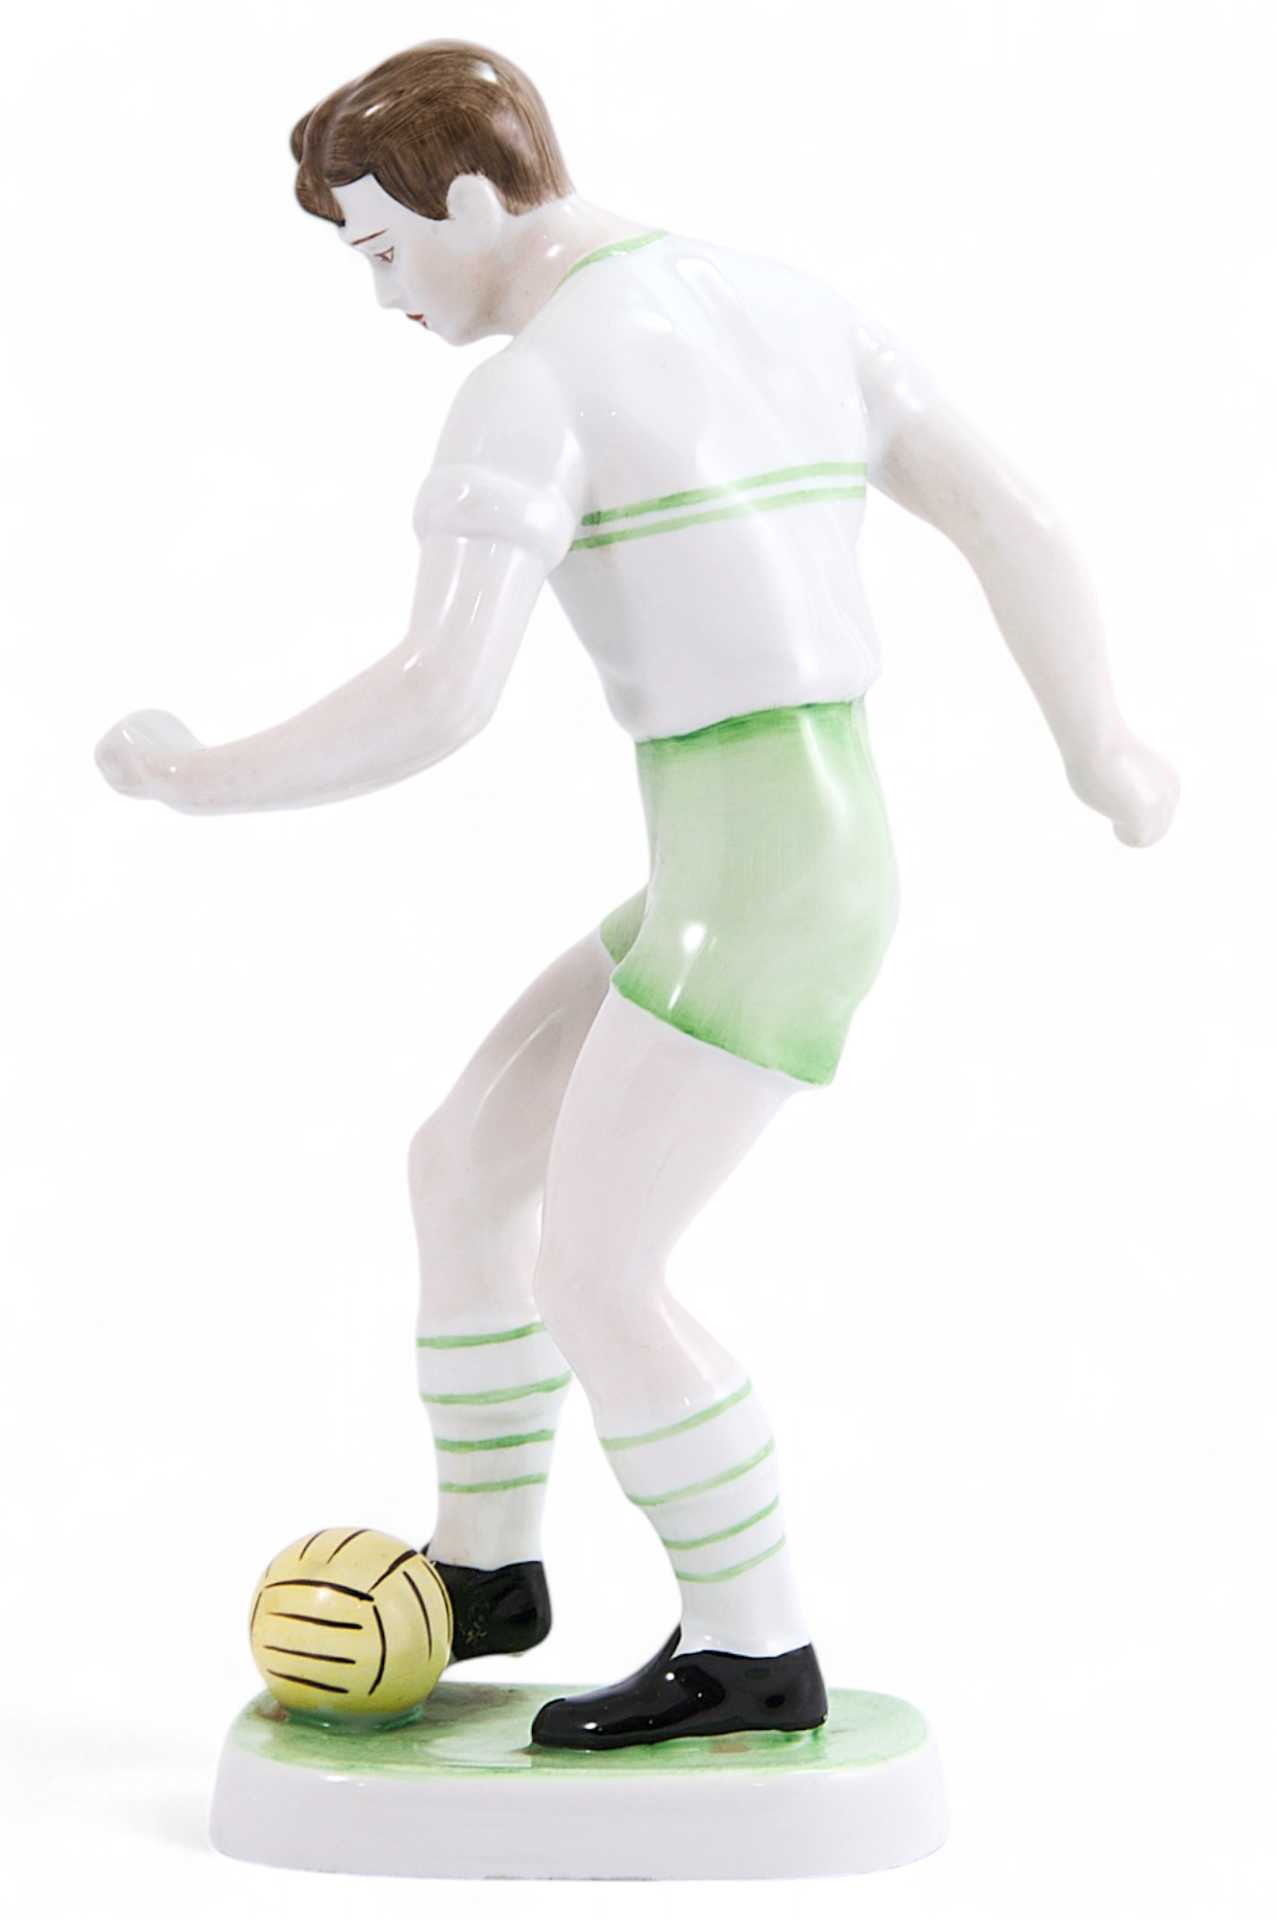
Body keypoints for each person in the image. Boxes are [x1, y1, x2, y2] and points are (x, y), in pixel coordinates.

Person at [95, 39, 1179, 1750]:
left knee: (601, 1266)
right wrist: (1096, 740)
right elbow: (1016, 520)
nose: (383, 298)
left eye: (380, 249)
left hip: (765, 876)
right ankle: (489, 1568)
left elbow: (437, 696)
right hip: (768, 851)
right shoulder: (790, 302)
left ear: (469, 198)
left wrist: (202, 776)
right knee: (465, 1166)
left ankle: (754, 1647)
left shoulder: (534, 389)